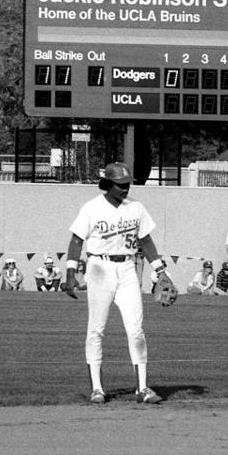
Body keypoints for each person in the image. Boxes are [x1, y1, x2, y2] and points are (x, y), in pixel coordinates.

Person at [63, 161, 168, 405]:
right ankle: (97, 389)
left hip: (128, 268)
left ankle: (142, 388)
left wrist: (160, 270)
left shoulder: (137, 208)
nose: (125, 188)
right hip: (99, 267)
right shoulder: (92, 208)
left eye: (127, 183)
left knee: (136, 329)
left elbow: (146, 241)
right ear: (107, 184)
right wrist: (70, 273)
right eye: (120, 185)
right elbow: (77, 241)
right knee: (96, 329)